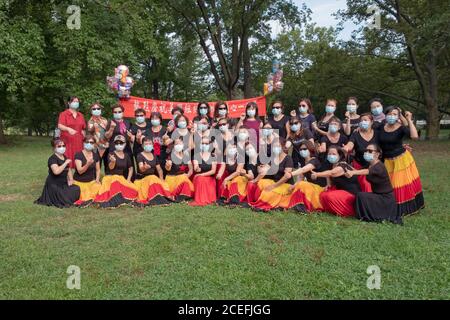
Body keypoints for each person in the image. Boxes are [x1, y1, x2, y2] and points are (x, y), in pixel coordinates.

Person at [377, 107, 424, 215]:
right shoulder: (380, 126)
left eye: (394, 114)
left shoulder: (401, 128)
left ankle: (402, 210)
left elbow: (414, 136)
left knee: (400, 184)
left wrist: (409, 119)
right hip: (387, 160)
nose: (391, 116)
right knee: (390, 185)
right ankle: (390, 207)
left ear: (398, 117)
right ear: (385, 115)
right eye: (389, 113)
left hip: (401, 160)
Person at [345, 144, 402, 224]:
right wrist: (345, 165)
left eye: (370, 151)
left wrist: (353, 173)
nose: (367, 153)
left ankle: (372, 216)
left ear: (377, 154)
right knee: (360, 195)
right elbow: (358, 170)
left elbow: (366, 172)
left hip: (385, 198)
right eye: (366, 151)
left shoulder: (379, 166)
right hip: (377, 195)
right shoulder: (370, 165)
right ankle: (364, 216)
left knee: (361, 195)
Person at [313, 146, 361, 217]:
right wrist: (328, 184)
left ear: (340, 155)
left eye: (334, 154)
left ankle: (349, 212)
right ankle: (332, 210)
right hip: (341, 191)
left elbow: (332, 173)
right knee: (323, 195)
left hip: (351, 193)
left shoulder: (342, 165)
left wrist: (317, 174)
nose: (331, 156)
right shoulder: (332, 165)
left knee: (329, 196)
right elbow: (329, 175)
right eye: (329, 154)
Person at [94, 135, 138, 208]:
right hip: (110, 178)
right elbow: (111, 168)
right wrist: (113, 161)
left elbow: (131, 168)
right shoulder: (111, 154)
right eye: (117, 143)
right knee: (116, 184)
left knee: (135, 190)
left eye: (121, 143)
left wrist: (128, 179)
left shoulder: (126, 155)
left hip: (121, 178)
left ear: (125, 144)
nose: (119, 144)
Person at [35, 139, 80, 208]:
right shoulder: (52, 159)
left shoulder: (64, 157)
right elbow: (56, 172)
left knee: (76, 188)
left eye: (63, 145)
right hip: (54, 184)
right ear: (54, 148)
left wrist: (71, 179)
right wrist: (65, 163)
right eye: (59, 146)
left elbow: (68, 169)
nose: (62, 148)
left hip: (63, 183)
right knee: (63, 197)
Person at [250, 139, 294, 211]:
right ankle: (260, 202)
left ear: (282, 147)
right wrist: (255, 179)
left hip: (285, 184)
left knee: (270, 190)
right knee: (261, 183)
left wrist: (273, 186)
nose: (275, 148)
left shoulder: (288, 158)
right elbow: (264, 170)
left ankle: (263, 205)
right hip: (274, 182)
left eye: (278, 146)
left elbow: (287, 176)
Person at [288, 141, 329, 213]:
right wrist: (294, 186)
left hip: (320, 188)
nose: (302, 151)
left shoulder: (314, 160)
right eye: (300, 149)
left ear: (310, 149)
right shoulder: (303, 162)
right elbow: (300, 178)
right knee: (298, 185)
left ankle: (305, 207)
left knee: (303, 184)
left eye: (304, 149)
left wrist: (291, 174)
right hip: (311, 187)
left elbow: (304, 169)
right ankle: (297, 204)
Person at [343, 113, 378, 192]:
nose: (363, 122)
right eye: (361, 120)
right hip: (360, 166)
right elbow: (350, 144)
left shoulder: (377, 133)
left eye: (365, 120)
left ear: (371, 122)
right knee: (366, 185)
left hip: (375, 166)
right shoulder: (356, 134)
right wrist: (346, 147)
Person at [134, 138, 173, 206]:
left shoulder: (154, 155)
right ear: (143, 146)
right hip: (142, 179)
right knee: (152, 178)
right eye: (146, 144)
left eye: (150, 144)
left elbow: (159, 169)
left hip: (152, 178)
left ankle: (164, 197)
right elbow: (141, 168)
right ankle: (156, 199)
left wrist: (161, 179)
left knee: (163, 184)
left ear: (152, 145)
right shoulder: (139, 155)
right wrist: (144, 167)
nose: (148, 145)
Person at [72, 135, 101, 207]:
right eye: (87, 142)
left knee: (100, 187)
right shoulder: (78, 155)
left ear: (94, 144)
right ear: (84, 143)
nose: (89, 144)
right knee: (83, 195)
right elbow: (80, 171)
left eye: (91, 142)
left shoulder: (96, 155)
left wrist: (97, 179)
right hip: (79, 182)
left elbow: (98, 170)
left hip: (91, 182)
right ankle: (88, 200)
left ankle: (90, 199)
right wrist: (87, 164)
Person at [57, 97, 86, 168]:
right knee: (67, 159)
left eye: (77, 102)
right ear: (69, 103)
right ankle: (67, 177)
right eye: (74, 101)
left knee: (79, 159)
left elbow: (83, 128)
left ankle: (78, 176)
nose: (76, 103)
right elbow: (60, 125)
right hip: (67, 141)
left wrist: (84, 136)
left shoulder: (81, 115)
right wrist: (68, 129)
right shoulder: (63, 114)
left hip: (79, 142)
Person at [104, 104, 133, 174]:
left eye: (119, 112)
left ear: (123, 112)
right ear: (113, 113)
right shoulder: (110, 122)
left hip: (126, 149)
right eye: (115, 112)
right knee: (114, 168)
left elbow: (130, 137)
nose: (117, 113)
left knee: (128, 167)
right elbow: (107, 136)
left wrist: (130, 136)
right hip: (114, 148)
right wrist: (111, 128)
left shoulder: (127, 122)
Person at [190, 137, 218, 206]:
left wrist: (202, 174)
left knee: (202, 178)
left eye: (206, 143)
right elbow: (196, 167)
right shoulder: (196, 155)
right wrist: (197, 169)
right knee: (200, 179)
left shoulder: (213, 156)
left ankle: (207, 198)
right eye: (202, 143)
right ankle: (200, 199)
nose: (204, 145)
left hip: (209, 178)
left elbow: (213, 171)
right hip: (199, 178)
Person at [165, 138, 194, 202]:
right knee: (183, 178)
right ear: (174, 146)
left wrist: (188, 175)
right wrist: (168, 165)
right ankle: (176, 196)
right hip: (172, 179)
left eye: (180, 143)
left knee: (190, 188)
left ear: (183, 144)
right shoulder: (171, 156)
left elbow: (191, 169)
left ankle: (181, 196)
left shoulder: (186, 155)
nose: (178, 145)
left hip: (183, 178)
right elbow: (168, 169)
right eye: (176, 144)